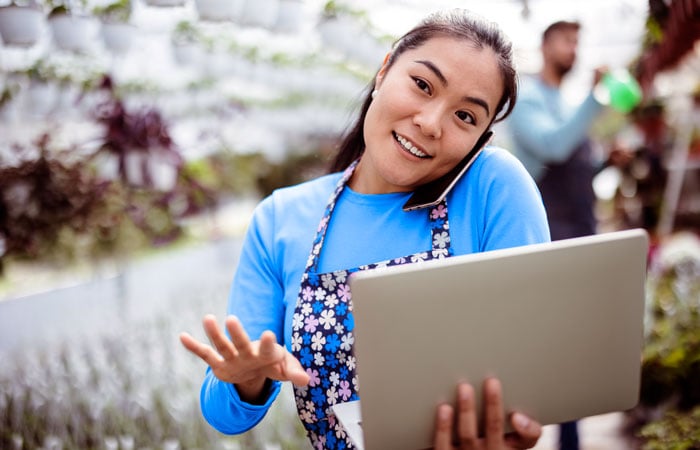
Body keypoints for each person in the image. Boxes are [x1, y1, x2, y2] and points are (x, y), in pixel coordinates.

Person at [180, 9, 549, 450]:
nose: (430, 124)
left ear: (481, 138)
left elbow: (531, 378)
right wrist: (244, 380)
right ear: (384, 70)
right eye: (422, 85)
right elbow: (224, 416)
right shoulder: (281, 219)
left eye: (466, 117)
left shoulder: (493, 188)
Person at [507, 20, 605, 450]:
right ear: (545, 46)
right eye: (567, 41)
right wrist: (596, 99)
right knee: (552, 347)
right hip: (551, 235)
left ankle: (570, 438)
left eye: (577, 42)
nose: (574, 50)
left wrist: (603, 162)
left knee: (576, 349)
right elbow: (555, 147)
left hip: (578, 232)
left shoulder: (559, 101)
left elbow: (576, 163)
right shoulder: (528, 99)